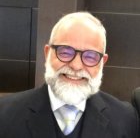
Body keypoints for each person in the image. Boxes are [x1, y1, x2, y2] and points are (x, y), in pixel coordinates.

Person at [0, 12, 139, 138]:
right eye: (65, 53)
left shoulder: (127, 120)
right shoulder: (4, 114)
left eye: (90, 57)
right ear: (47, 53)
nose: (76, 66)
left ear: (102, 62)